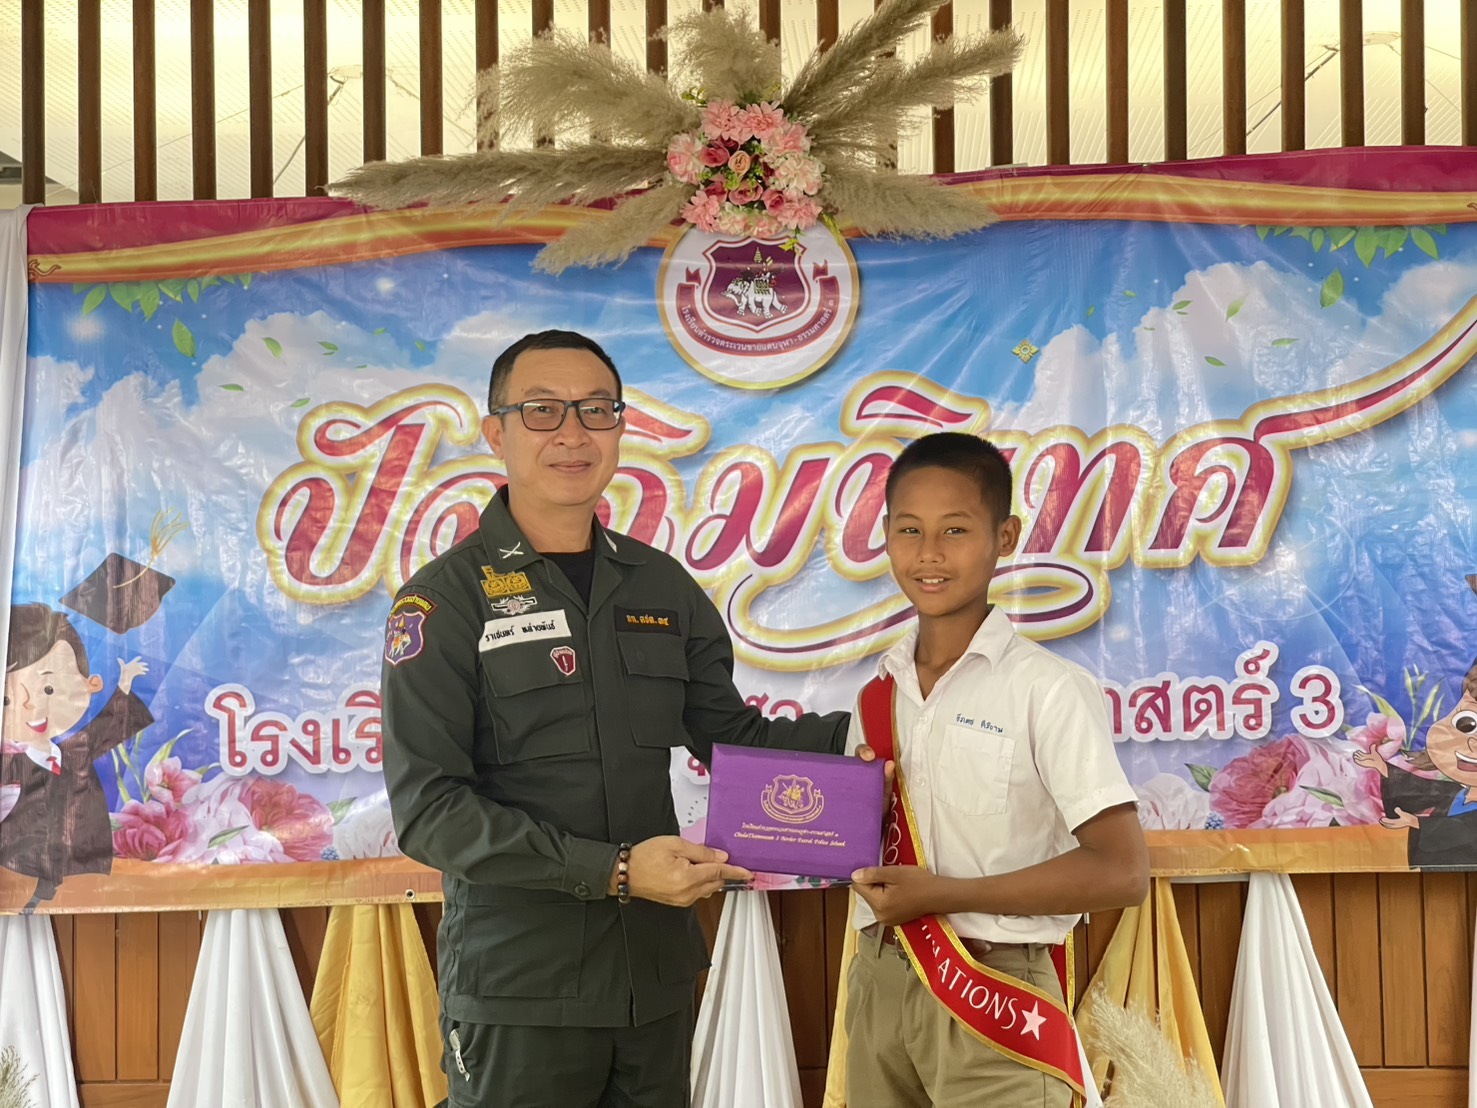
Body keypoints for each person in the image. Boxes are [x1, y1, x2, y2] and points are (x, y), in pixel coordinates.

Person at [379, 329, 851, 1108]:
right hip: (521, 990)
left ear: (620, 428)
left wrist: (873, 733)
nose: (573, 432)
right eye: (542, 410)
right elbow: (430, 813)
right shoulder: (444, 601)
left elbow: (734, 742)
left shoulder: (659, 587)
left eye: (596, 410)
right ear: (495, 432)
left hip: (651, 982)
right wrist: (616, 871)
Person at [844, 432, 1149, 1108]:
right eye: (908, 530)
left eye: (955, 530)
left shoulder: (1047, 689)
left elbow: (1122, 872)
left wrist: (941, 895)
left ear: (1004, 537)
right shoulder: (875, 696)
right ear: (885, 537)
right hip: (879, 982)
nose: (928, 553)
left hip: (994, 989)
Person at [0, 603, 152, 912]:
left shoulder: (74, 752)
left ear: (90, 683)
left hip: (82, 868)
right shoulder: (9, 766)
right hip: (22, 873)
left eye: (49, 688)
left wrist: (124, 686)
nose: (30, 707)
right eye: (8, 699)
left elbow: (104, 728)